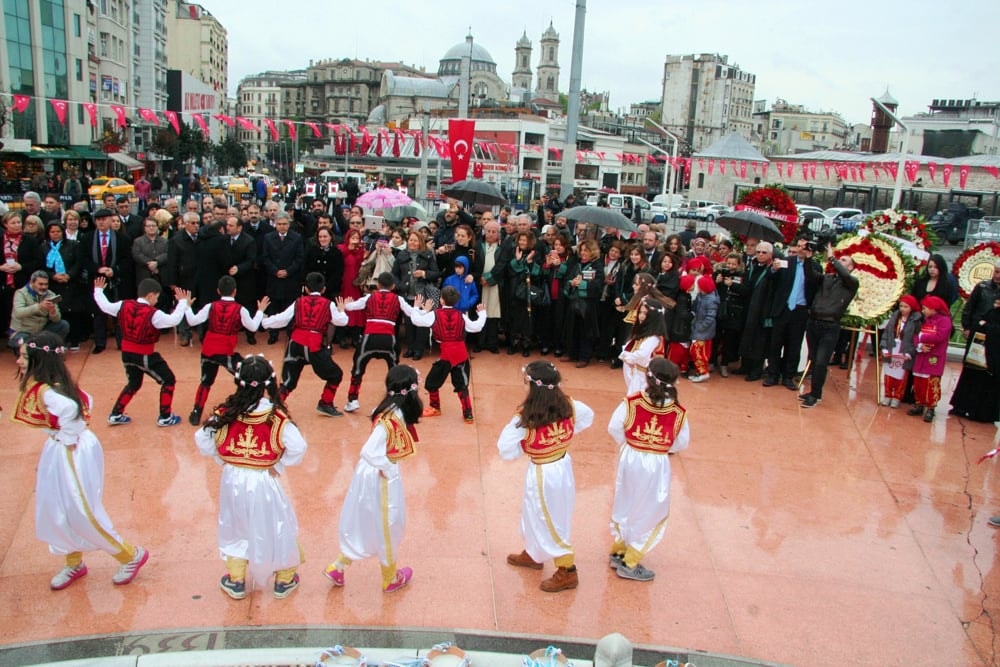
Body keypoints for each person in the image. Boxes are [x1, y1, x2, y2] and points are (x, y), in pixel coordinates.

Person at [12, 331, 149, 590]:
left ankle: (129, 555)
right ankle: (73, 561)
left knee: (80, 508)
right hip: (62, 447)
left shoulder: (50, 390)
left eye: (23, 356)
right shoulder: (52, 383)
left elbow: (73, 411)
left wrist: (65, 438)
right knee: (57, 507)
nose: (19, 361)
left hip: (70, 449)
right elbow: (86, 400)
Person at [195, 355, 307, 600]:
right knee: (277, 524)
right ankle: (284, 578)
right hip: (263, 479)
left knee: (235, 525)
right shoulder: (275, 417)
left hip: (232, 479)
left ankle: (236, 580)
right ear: (269, 382)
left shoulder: (225, 412)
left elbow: (202, 438)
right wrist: (280, 463)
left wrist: (222, 457)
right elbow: (298, 446)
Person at [323, 365, 422, 593]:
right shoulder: (391, 417)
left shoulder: (389, 409)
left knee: (364, 520)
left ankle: (338, 566)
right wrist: (387, 467)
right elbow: (369, 450)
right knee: (388, 523)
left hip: (371, 471)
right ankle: (390, 577)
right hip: (381, 474)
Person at [498, 361, 594, 593]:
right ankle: (534, 552)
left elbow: (505, 448)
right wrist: (560, 438)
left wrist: (529, 444)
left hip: (543, 472)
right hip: (562, 465)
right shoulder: (570, 405)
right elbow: (587, 417)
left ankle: (567, 570)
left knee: (547, 517)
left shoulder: (525, 417)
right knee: (536, 512)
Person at [607, 356, 690, 582]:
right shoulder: (678, 411)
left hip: (631, 456)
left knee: (627, 500)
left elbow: (614, 427)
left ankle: (619, 549)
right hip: (656, 462)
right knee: (651, 509)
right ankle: (630, 561)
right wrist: (661, 445)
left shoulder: (632, 402)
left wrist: (630, 443)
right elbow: (682, 442)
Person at [93, 275, 190, 426]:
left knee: (134, 383)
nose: (157, 301)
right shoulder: (153, 314)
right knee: (168, 379)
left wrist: (98, 290)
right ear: (150, 295)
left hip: (126, 354)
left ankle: (116, 414)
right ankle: (165, 416)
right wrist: (183, 302)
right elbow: (174, 320)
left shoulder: (122, 305)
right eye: (156, 297)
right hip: (144, 354)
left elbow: (104, 305)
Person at [261, 271, 349, 416]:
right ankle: (325, 403)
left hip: (295, 343)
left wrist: (263, 321)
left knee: (289, 381)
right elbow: (342, 321)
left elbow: (281, 319)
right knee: (336, 375)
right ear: (324, 289)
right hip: (314, 345)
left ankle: (274, 407)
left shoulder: (298, 302)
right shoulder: (328, 305)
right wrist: (342, 310)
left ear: (306, 289)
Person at [185, 276, 269, 425]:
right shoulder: (240, 309)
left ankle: (196, 412)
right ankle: (249, 405)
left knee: (205, 381)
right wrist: (260, 311)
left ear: (218, 291)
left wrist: (186, 306)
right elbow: (253, 327)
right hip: (226, 352)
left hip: (208, 350)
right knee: (247, 375)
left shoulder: (210, 306)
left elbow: (192, 321)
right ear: (235, 291)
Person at [341, 272, 417, 413]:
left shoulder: (369, 297)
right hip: (389, 338)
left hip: (369, 337)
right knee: (394, 370)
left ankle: (352, 400)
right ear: (393, 286)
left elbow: (351, 307)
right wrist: (419, 308)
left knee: (358, 368)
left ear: (377, 285)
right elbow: (411, 313)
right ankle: (392, 402)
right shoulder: (398, 299)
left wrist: (346, 304)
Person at [410, 287, 486, 422]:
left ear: (441, 300)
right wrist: (483, 313)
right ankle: (468, 414)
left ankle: (435, 407)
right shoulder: (461, 315)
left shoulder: (435, 314)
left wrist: (417, 307)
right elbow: (476, 327)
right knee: (462, 385)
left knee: (431, 383)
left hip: (446, 356)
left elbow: (416, 320)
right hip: (461, 355)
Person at [799, 246, 859, 407]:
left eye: (844, 260)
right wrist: (809, 258)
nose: (840, 261)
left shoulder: (852, 283)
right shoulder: (828, 277)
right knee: (813, 358)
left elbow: (844, 274)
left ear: (851, 267)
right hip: (814, 322)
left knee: (821, 361)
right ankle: (812, 391)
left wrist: (832, 258)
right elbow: (810, 275)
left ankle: (816, 394)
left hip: (830, 326)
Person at [949, 295, 1000, 422]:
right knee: (971, 379)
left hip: (994, 358)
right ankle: (962, 407)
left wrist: (987, 327)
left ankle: (982, 414)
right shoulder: (991, 312)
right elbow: (978, 323)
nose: (996, 304)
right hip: (977, 355)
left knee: (988, 385)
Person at [908, 296, 953, 423]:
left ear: (934, 309)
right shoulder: (925, 320)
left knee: (930, 383)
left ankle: (931, 408)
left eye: (925, 308)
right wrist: (919, 345)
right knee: (918, 382)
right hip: (922, 354)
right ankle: (919, 403)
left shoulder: (944, 321)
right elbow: (916, 335)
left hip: (934, 357)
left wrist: (923, 337)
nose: (923, 311)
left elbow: (939, 337)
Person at [8, 270, 71, 353]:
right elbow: (18, 313)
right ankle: (40, 348)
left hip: (40, 331)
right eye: (40, 284)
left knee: (63, 325)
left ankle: (46, 349)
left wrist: (52, 311)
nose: (44, 287)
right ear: (32, 283)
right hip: (23, 331)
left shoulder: (50, 294)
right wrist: (39, 306)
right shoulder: (20, 293)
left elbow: (57, 319)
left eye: (46, 284)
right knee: (26, 348)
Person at [619, 297, 668, 395]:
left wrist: (627, 357)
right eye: (640, 312)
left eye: (645, 313)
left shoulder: (653, 337)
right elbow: (629, 346)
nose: (641, 316)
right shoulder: (643, 333)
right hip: (638, 374)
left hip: (646, 378)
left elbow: (642, 354)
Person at [880, 295, 922, 408]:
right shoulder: (895, 316)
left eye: (906, 307)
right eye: (901, 306)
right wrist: (884, 347)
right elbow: (887, 332)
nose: (903, 309)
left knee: (901, 375)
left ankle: (897, 396)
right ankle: (887, 394)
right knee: (888, 374)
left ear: (911, 308)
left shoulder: (916, 320)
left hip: (904, 350)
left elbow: (916, 338)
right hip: (892, 347)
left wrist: (910, 352)